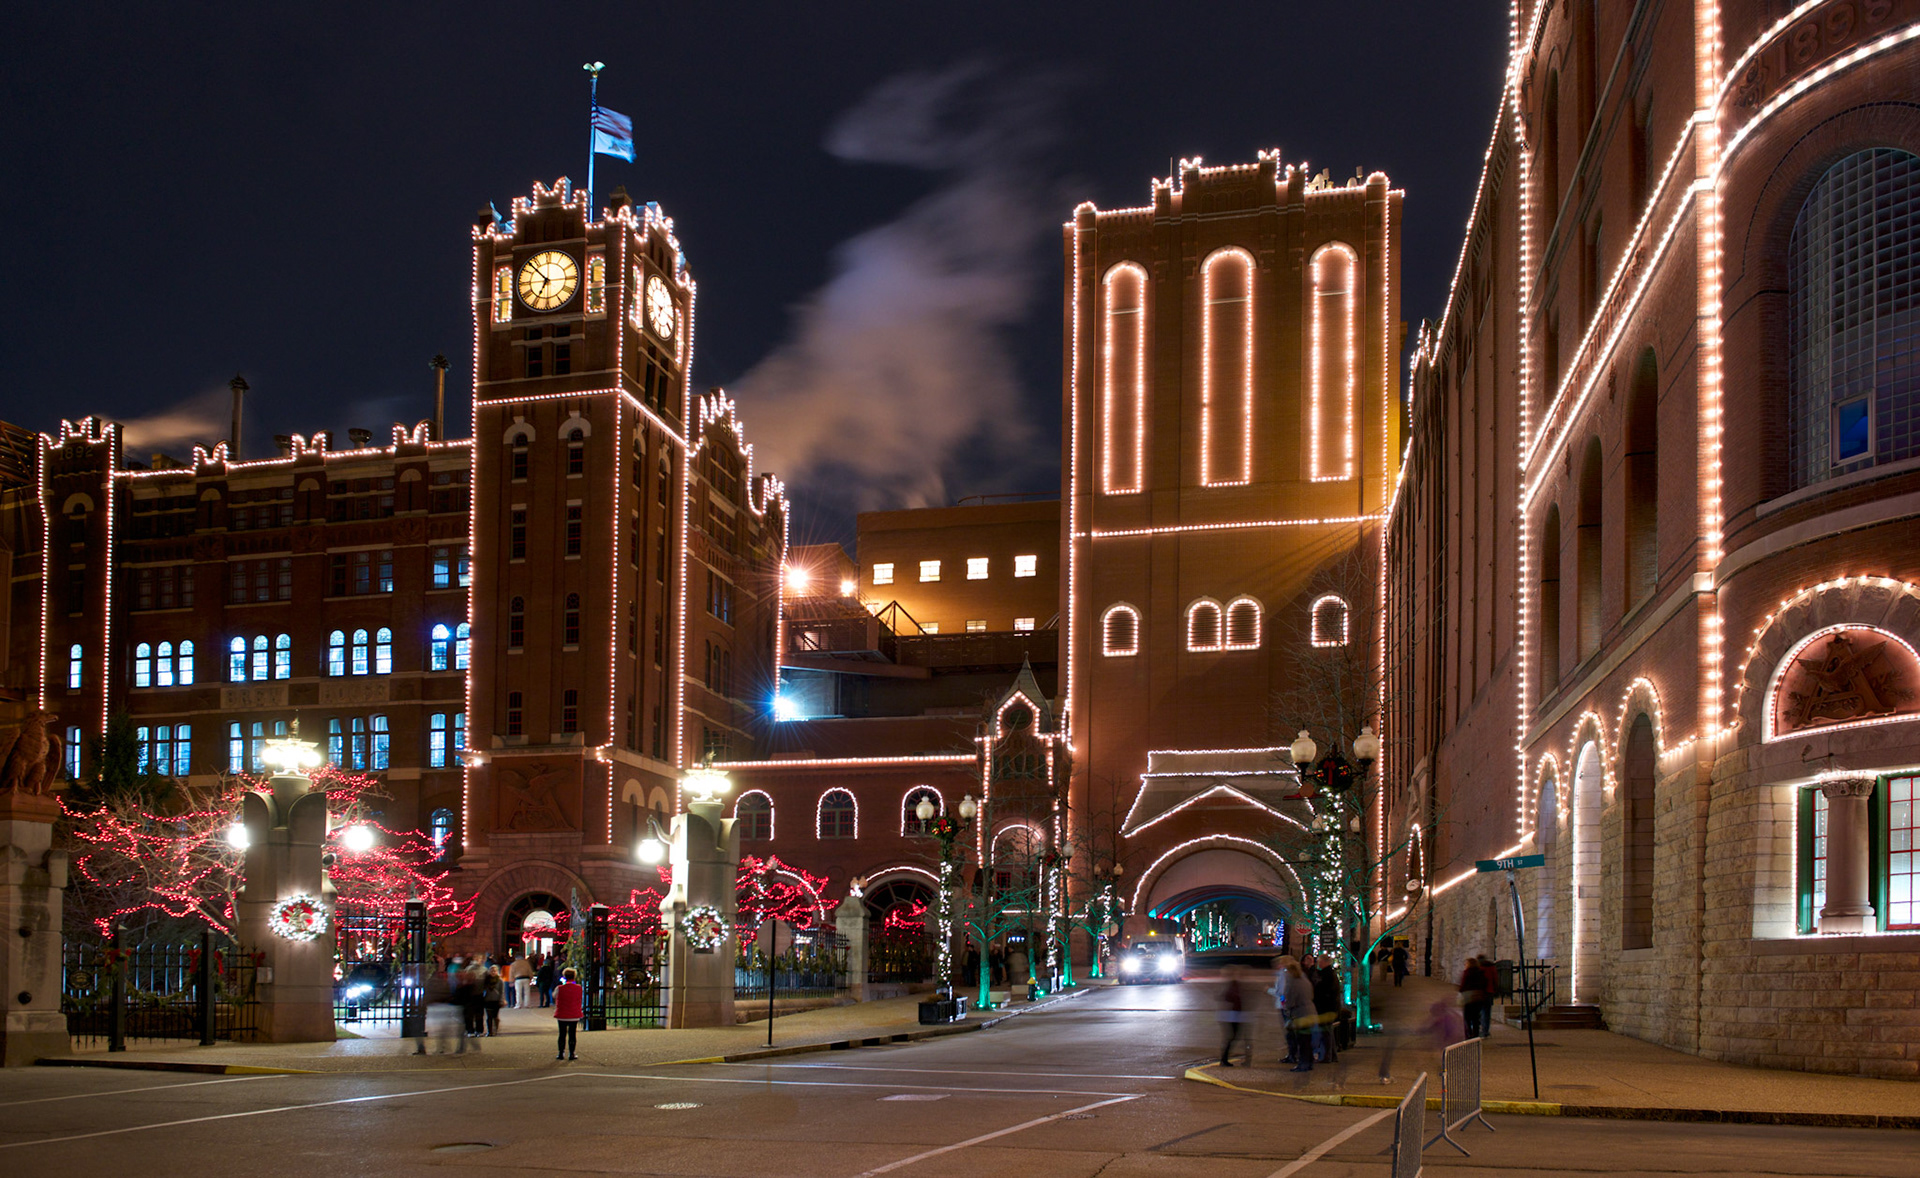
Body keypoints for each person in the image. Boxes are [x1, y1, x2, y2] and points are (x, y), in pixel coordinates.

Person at [1276, 956, 1317, 1073]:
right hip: (1309, 1011)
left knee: (1302, 1040)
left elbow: (1289, 999)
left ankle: (1303, 1064)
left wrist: (1286, 1007)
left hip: (1300, 1014)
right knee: (1307, 1040)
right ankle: (1308, 1062)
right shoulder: (1304, 980)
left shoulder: (1292, 982)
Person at [1217, 966, 1251, 1067]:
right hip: (1233, 1014)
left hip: (1234, 1014)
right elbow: (1228, 997)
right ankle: (1224, 1059)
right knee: (1233, 1037)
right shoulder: (1233, 984)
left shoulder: (1235, 984)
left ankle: (1225, 1059)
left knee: (1233, 1037)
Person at [1311, 955, 1343, 1063]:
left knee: (1326, 1033)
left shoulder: (1327, 975)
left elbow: (1324, 992)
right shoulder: (1329, 974)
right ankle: (1331, 1055)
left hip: (1326, 1008)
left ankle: (1327, 1056)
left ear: (1325, 962)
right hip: (1328, 1007)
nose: (1318, 964)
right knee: (1328, 1032)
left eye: (1320, 962)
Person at [553, 966, 585, 1061]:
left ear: (564, 976)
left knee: (562, 1034)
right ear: (574, 976)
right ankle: (572, 1053)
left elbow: (554, 995)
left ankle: (561, 1053)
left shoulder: (560, 988)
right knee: (572, 1034)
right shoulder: (578, 988)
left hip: (562, 1014)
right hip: (574, 1014)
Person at [1458, 956, 1490, 1040]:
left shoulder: (1467, 973)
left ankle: (1468, 1035)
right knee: (1476, 1018)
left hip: (1468, 998)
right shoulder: (1481, 972)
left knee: (1467, 1018)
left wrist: (1461, 991)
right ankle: (1475, 1036)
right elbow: (1484, 983)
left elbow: (1463, 984)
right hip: (1478, 997)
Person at [482, 965, 505, 1036]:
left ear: (497, 972)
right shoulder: (486, 981)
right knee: (489, 1017)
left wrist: (501, 1000)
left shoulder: (500, 981)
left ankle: (495, 1030)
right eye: (491, 971)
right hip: (487, 1000)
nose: (493, 972)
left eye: (494, 971)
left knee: (495, 1016)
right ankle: (490, 1031)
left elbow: (502, 991)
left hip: (496, 1000)